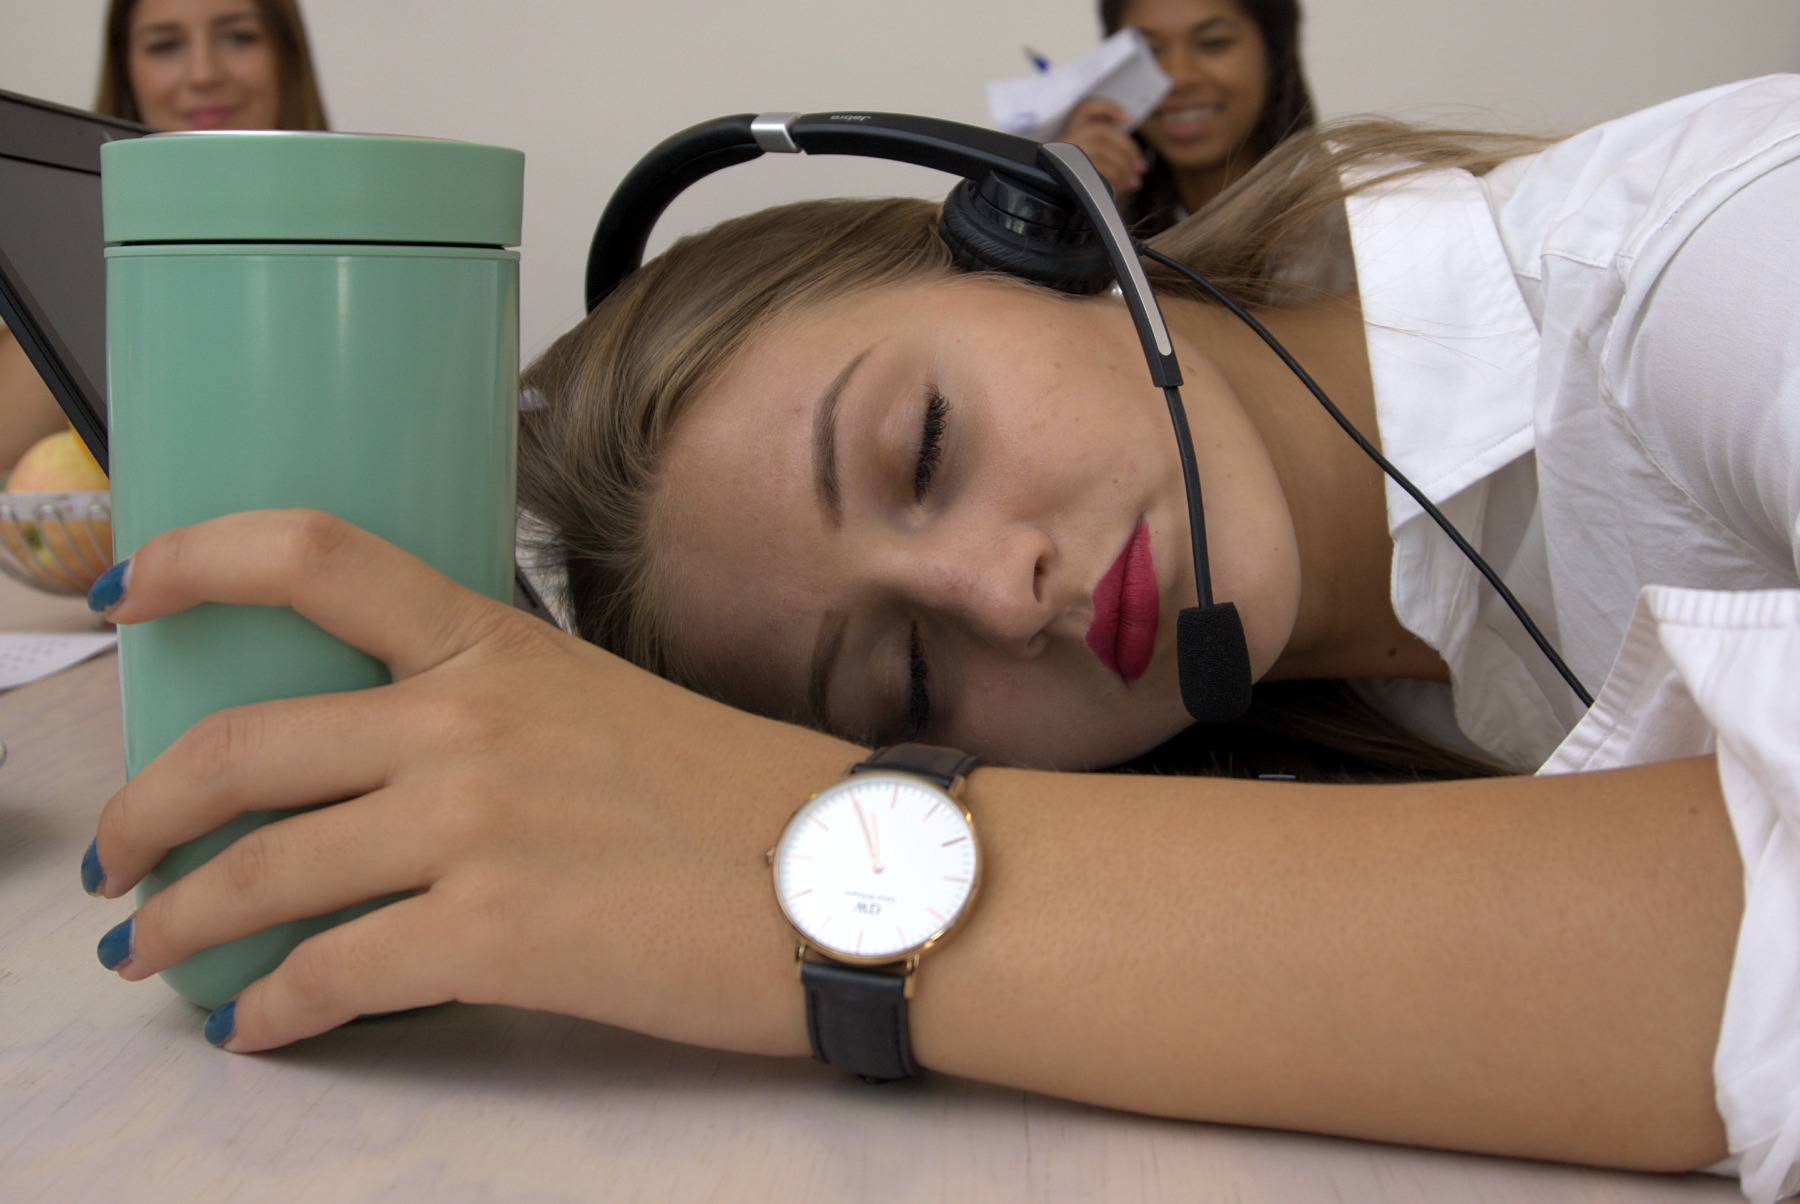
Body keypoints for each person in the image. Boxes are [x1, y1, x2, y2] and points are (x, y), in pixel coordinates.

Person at [81, 77, 1800, 1202]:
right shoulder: (1342, 720)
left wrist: (783, 876)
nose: (1002, 593)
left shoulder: (1715, 260)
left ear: (1030, 230)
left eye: (919, 446)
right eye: (906, 687)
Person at [1, 0, 329, 471]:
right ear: (126, 70)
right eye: (165, 45)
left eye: (238, 37)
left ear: (286, 56)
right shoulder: (83, 249)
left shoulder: (378, 251)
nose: (203, 74)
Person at [1055, 0, 1314, 233]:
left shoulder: (1342, 217)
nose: (1177, 78)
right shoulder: (1104, 220)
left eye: (1212, 43)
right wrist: (1068, 205)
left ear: (1275, 52)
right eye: (1148, 50)